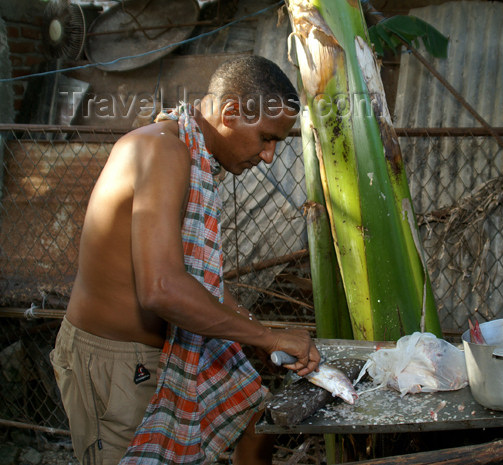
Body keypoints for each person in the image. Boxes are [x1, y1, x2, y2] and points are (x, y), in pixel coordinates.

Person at [50, 55, 321, 465]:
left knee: (255, 412)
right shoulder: (164, 152)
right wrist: (266, 338)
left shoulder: (188, 152)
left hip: (166, 352)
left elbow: (200, 281)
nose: (268, 156)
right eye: (267, 138)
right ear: (231, 112)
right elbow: (163, 290)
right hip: (117, 364)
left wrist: (260, 332)